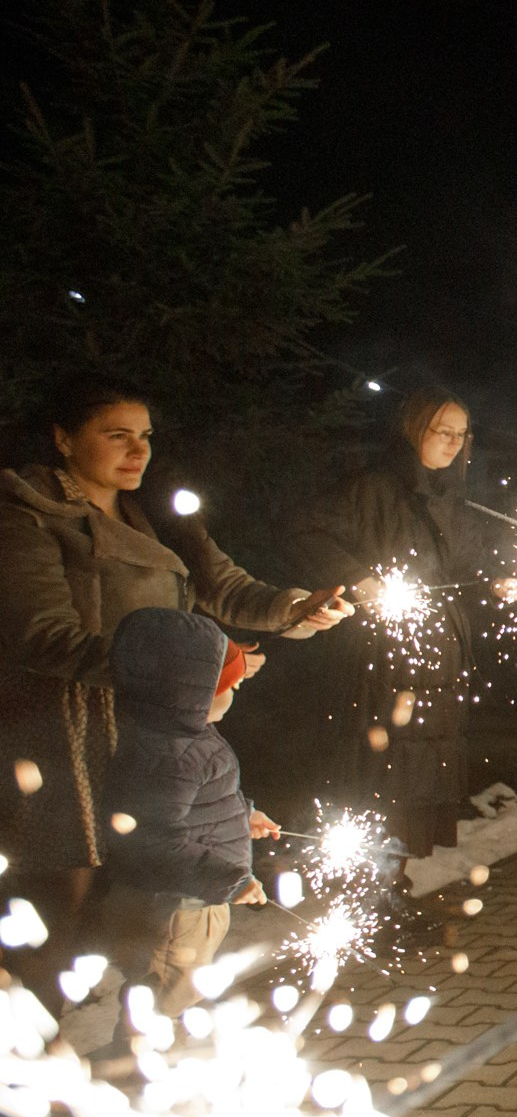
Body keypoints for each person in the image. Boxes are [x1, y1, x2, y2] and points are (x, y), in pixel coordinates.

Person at [1, 377, 347, 980]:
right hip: (68, 741)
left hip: (151, 733)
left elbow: (225, 587)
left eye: (145, 436)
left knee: (148, 910)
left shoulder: (153, 512)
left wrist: (296, 608)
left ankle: (128, 1023)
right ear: (63, 439)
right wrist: (187, 670)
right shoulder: (28, 516)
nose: (138, 451)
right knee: (61, 916)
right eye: (117, 435)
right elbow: (42, 635)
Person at [288, 388, 481, 868]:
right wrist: (359, 580)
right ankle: (375, 882)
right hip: (383, 656)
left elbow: (462, 565)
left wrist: (498, 581)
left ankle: (400, 877)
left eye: (461, 434)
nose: (453, 442)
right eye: (443, 431)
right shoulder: (371, 487)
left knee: (422, 772)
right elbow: (302, 529)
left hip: (440, 656)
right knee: (383, 768)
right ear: (414, 430)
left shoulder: (452, 497)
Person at [95, 609, 277, 1011]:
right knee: (163, 1005)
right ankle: (144, 1052)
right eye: (230, 685)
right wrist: (228, 881)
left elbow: (193, 804)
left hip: (182, 899)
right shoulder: (173, 756)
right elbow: (154, 841)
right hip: (176, 907)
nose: (237, 692)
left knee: (167, 994)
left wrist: (243, 816)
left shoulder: (179, 737)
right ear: (194, 693)